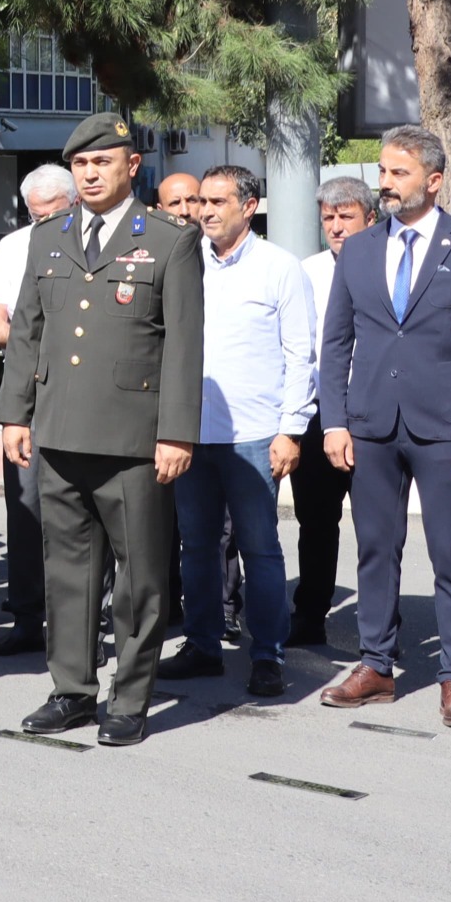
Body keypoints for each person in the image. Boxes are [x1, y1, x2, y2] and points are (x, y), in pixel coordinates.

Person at [0, 112, 203, 747]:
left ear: (130, 167)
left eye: (102, 163)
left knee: (139, 576)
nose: (89, 174)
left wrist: (176, 434)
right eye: (80, 165)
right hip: (58, 432)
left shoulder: (170, 239)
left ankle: (131, 697)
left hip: (133, 441)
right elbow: (27, 332)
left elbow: (183, 347)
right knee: (68, 571)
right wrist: (14, 413)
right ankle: (72, 690)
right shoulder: (48, 236)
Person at [317, 125, 451, 731]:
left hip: (449, 429)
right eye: (383, 171)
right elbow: (336, 343)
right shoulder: (359, 248)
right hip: (371, 426)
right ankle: (376, 664)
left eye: (398, 173)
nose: (386, 183)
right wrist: (335, 421)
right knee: (376, 550)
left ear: (434, 180)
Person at [165, 164, 313, 699]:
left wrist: (291, 430)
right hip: (190, 432)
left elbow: (302, 354)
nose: (205, 211)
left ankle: (267, 654)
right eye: (201, 201)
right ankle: (202, 645)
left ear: (249, 207)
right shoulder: (182, 261)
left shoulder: (280, 268)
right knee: (197, 547)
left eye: (218, 202)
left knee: (260, 548)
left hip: (254, 434)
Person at [0, 162, 78, 656]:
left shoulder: (92, 240)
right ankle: (26, 618)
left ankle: (84, 625)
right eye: (34, 214)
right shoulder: (17, 246)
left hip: (81, 394)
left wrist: (27, 330)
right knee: (25, 510)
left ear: (74, 203)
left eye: (51, 213)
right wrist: (36, 335)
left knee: (81, 514)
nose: (41, 223)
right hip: (28, 394)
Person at [291, 175, 377, 645]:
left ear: (370, 218)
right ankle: (309, 615)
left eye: (347, 216)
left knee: (376, 529)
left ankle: (380, 626)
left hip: (373, 417)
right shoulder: (307, 270)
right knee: (315, 523)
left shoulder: (388, 264)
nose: (337, 226)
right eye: (329, 218)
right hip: (319, 414)